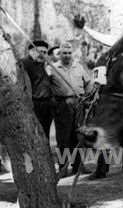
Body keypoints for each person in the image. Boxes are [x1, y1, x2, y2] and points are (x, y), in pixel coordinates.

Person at [49, 42, 92, 177]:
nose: (67, 56)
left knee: (78, 136)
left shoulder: (78, 66)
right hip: (62, 105)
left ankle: (78, 166)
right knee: (63, 138)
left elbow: (89, 82)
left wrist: (86, 97)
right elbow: (45, 85)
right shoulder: (52, 68)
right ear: (59, 55)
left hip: (78, 104)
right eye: (64, 53)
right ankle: (63, 168)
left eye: (69, 53)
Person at [20, 40, 54, 139]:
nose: (43, 55)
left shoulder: (43, 64)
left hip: (48, 102)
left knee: (46, 129)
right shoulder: (25, 63)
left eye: (45, 52)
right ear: (32, 51)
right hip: (36, 103)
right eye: (40, 52)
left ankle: (47, 150)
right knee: (38, 131)